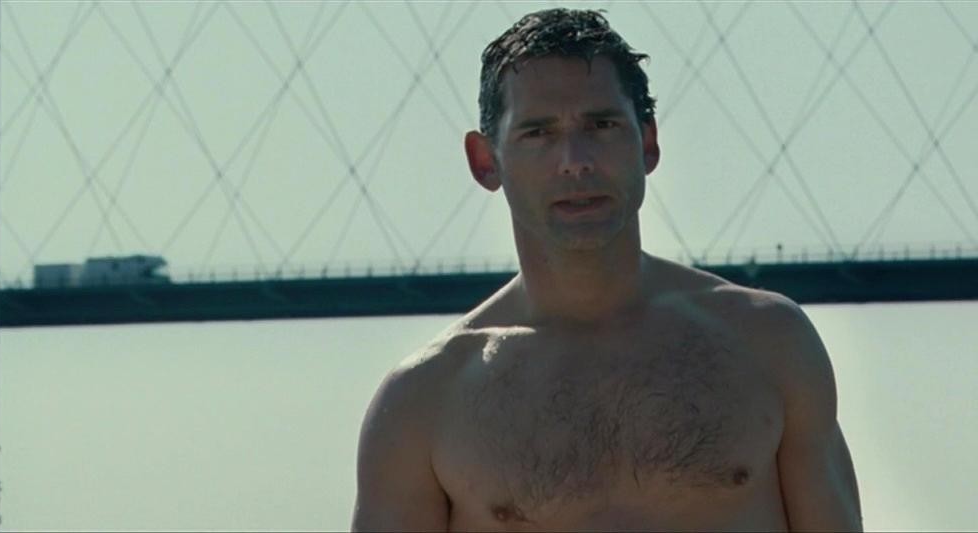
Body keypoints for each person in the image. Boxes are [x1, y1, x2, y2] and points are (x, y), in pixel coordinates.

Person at [351, 8, 862, 531]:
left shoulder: (766, 341)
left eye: (601, 125)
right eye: (538, 132)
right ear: (485, 161)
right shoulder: (424, 403)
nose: (575, 160)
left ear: (647, 143)